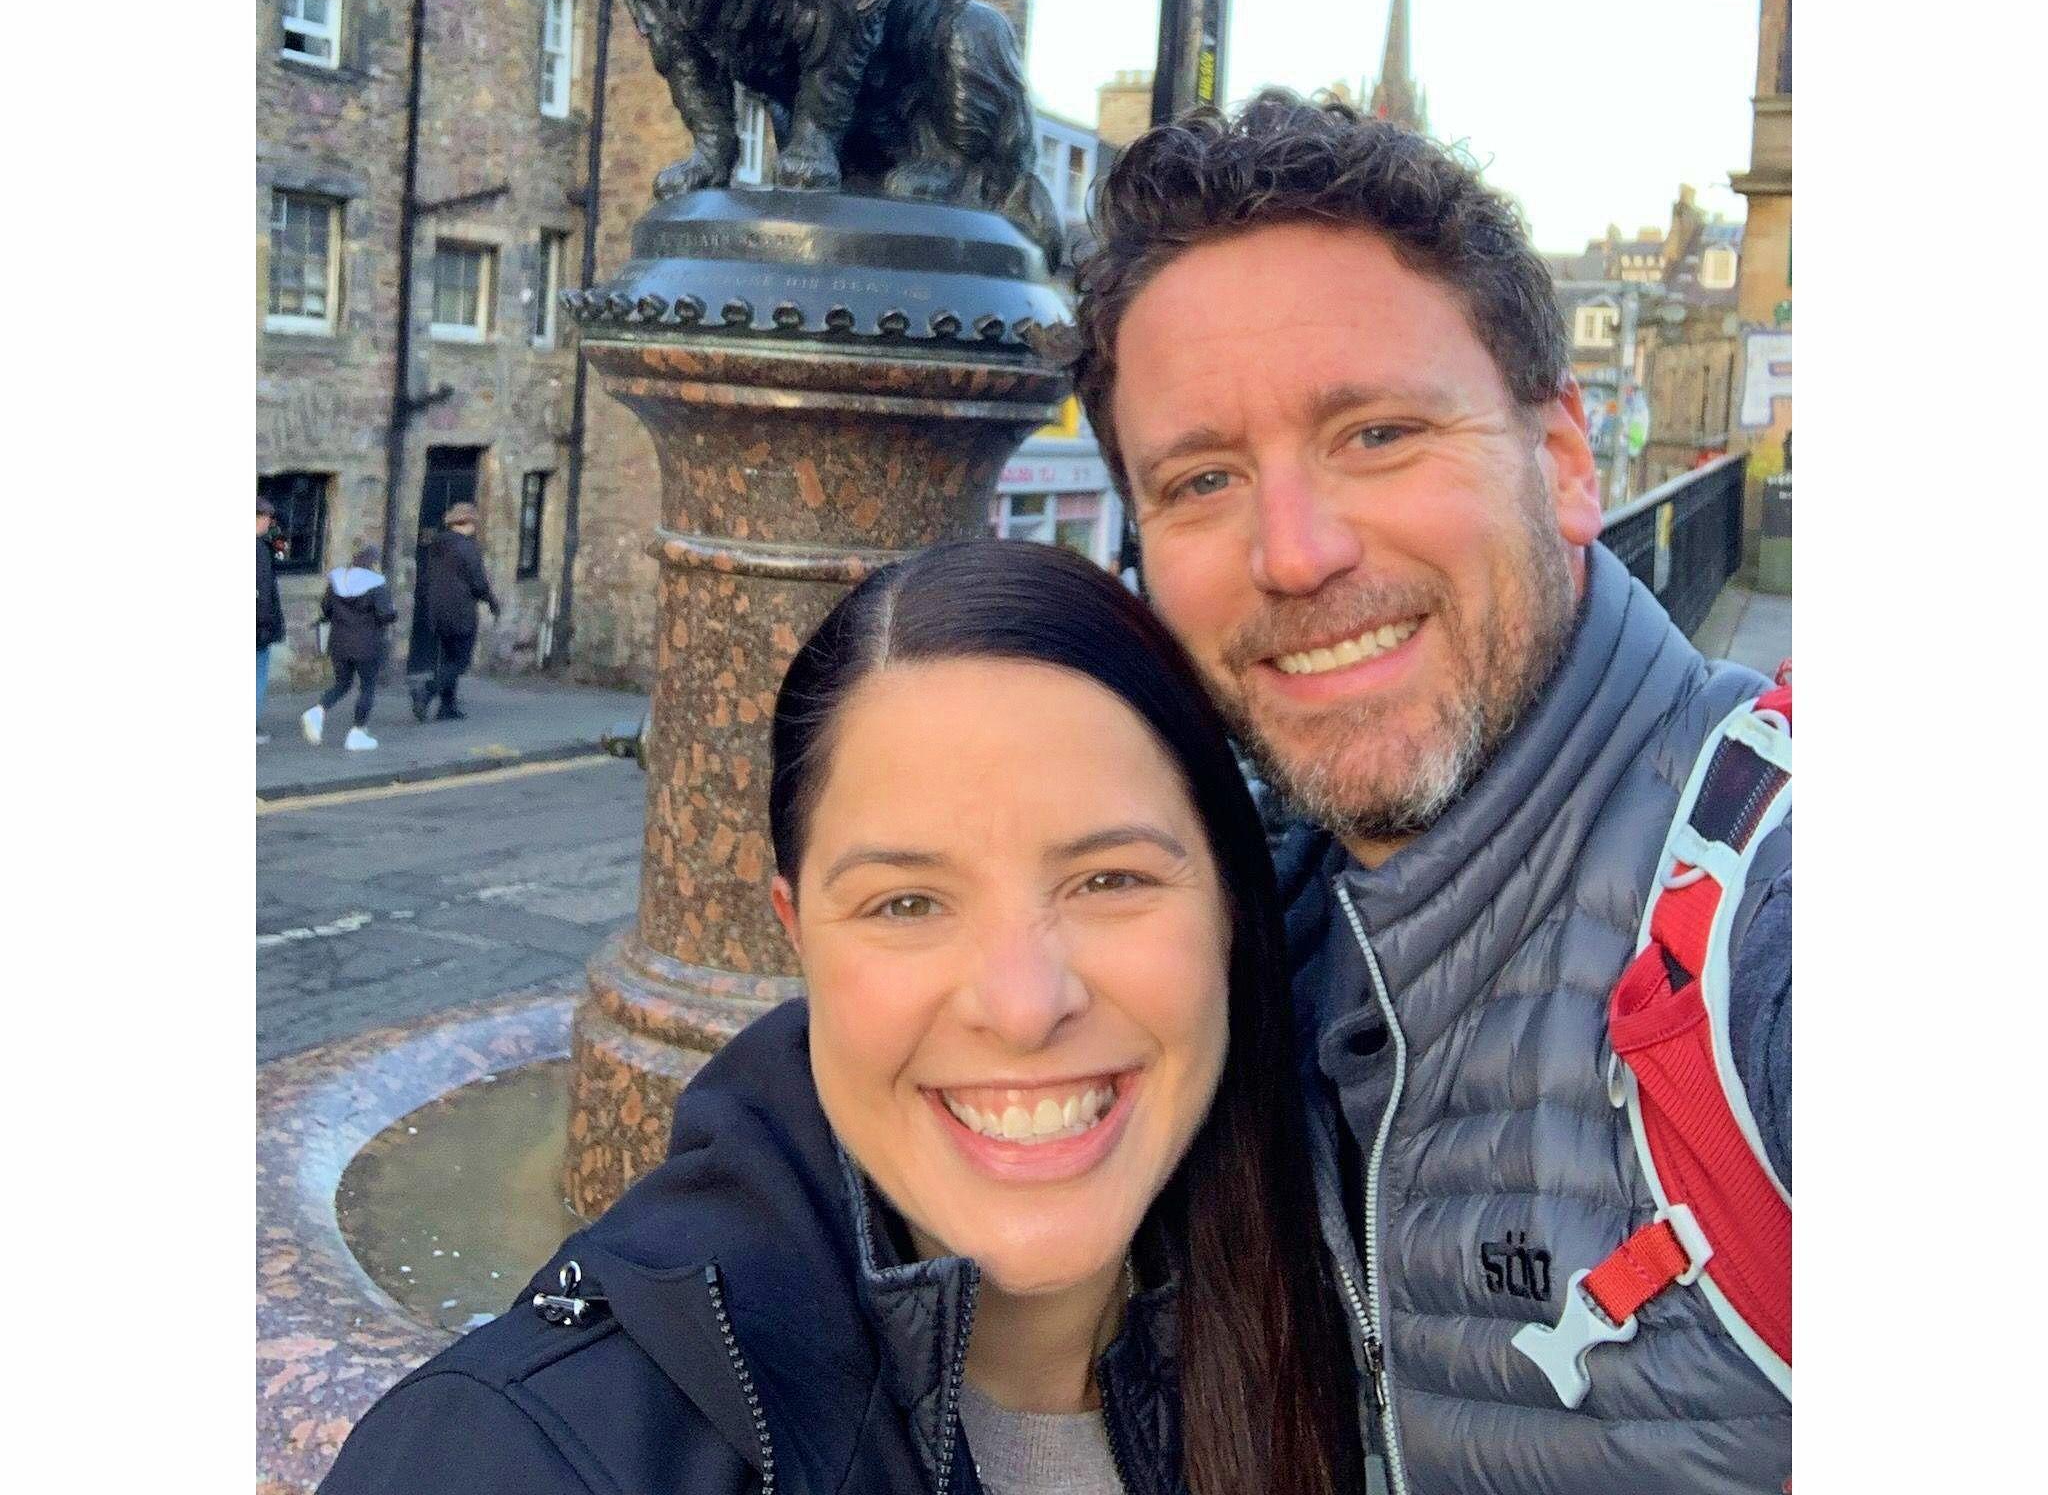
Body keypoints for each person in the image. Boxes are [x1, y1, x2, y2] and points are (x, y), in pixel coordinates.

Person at [1071, 91, 1791, 1495]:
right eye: (1204, 478)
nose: (1294, 553)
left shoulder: (1770, 929)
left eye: (1380, 435)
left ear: (1567, 462)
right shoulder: (1244, 931)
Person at [321, 538, 1364, 1495]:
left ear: (1230, 899)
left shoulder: (1379, 1325)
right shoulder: (519, 1450)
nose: (1021, 1003)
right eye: (906, 903)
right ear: (797, 932)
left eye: (1108, 878)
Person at [302, 544, 398, 753]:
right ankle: (357, 732)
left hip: (339, 643)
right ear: (372, 563)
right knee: (367, 687)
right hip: (368, 645)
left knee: (342, 684)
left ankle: (317, 711)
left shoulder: (338, 580)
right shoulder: (376, 584)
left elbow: (326, 609)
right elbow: (385, 614)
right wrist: (393, 613)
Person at [410, 500, 499, 722]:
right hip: (460, 611)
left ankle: (447, 707)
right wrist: (491, 601)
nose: (475, 527)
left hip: (437, 610)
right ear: (466, 523)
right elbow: (478, 583)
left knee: (448, 658)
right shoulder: (467, 548)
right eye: (473, 523)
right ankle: (427, 690)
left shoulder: (437, 546)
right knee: (459, 662)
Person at [256, 494, 285, 743]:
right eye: (267, 517)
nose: (270, 522)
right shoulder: (258, 550)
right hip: (257, 627)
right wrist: (265, 624)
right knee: (256, 676)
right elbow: (263, 592)